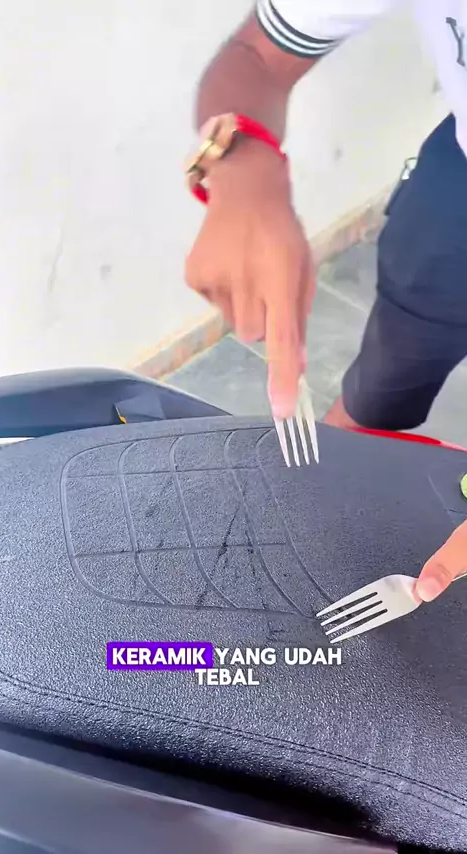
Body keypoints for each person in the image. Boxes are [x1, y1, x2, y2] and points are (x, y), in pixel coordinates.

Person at [183, 0, 467, 604]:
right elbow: (258, 55)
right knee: (385, 376)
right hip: (457, 195)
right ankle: (328, 471)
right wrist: (244, 170)